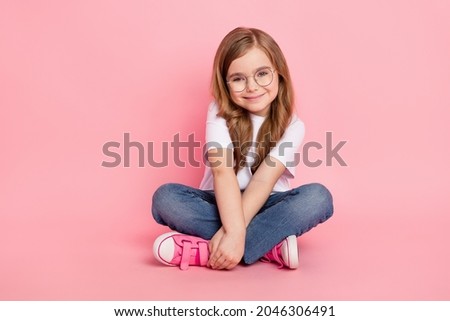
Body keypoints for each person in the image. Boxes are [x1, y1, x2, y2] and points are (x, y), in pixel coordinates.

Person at [151, 27, 333, 271]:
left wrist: (236, 235)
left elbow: (263, 181)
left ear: (279, 74)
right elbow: (222, 172)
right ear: (225, 84)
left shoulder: (293, 125)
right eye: (238, 78)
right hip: (221, 201)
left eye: (262, 74)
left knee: (318, 198)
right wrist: (234, 231)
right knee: (166, 199)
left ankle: (207, 251)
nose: (252, 86)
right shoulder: (218, 112)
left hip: (268, 202)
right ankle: (270, 247)